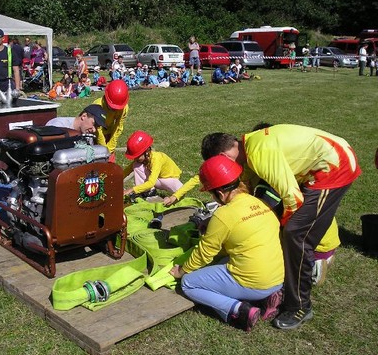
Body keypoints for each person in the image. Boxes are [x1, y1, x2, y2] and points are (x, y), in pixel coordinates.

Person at [200, 125, 361, 330]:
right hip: (330, 158)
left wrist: (271, 224)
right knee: (286, 226)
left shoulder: (259, 153)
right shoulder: (248, 148)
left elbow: (292, 198)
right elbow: (246, 193)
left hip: (335, 167)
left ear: (224, 155)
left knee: (296, 235)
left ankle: (300, 307)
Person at [169, 155, 284, 331]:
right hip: (277, 278)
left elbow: (204, 253)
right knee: (223, 263)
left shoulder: (224, 215)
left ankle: (239, 310)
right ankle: (269, 296)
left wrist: (181, 271)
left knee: (188, 283)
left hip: (254, 281)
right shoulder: (258, 202)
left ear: (220, 193)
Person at [123, 130, 183, 198]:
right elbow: (127, 171)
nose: (135, 159)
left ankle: (147, 190)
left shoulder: (157, 159)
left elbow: (151, 183)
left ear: (146, 152)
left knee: (180, 192)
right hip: (157, 179)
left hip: (170, 179)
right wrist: (116, 179)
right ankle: (146, 192)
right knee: (136, 165)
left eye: (137, 156)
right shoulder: (142, 159)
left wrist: (131, 190)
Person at [92, 79, 129, 163]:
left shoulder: (124, 108)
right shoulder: (97, 106)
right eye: (112, 107)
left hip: (109, 133)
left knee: (110, 163)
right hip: (95, 134)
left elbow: (118, 127)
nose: (114, 110)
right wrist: (104, 148)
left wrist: (111, 146)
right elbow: (97, 129)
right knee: (96, 161)